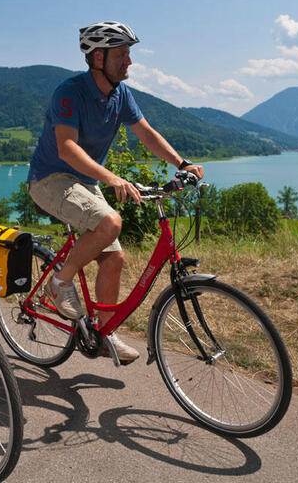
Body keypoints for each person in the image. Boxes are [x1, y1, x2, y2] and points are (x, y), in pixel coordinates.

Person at [27, 21, 204, 364]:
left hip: (85, 182)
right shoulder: (70, 92)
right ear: (98, 58)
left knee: (114, 257)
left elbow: (147, 133)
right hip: (50, 179)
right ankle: (59, 283)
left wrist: (182, 163)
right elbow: (66, 148)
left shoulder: (120, 94)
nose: (129, 62)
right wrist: (112, 178)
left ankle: (103, 334)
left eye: (128, 54)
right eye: (122, 54)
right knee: (110, 222)